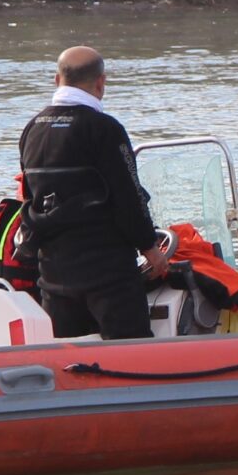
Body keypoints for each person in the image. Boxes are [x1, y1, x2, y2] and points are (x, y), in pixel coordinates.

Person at [16, 46, 170, 340]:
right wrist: (150, 248)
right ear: (101, 82)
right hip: (108, 274)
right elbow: (129, 196)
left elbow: (30, 196)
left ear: (56, 79)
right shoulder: (105, 129)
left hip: (54, 274)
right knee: (134, 353)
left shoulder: (32, 129)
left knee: (68, 360)